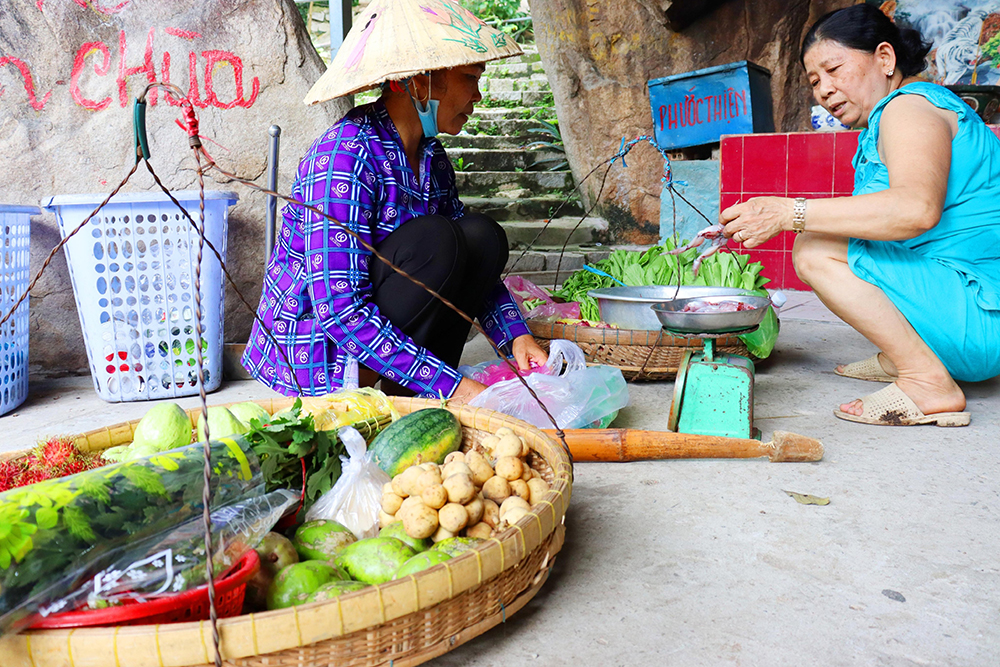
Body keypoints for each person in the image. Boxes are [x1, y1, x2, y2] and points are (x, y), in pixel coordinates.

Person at [242, 0, 547, 405]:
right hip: (316, 350)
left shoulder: (433, 158)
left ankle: (413, 385)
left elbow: (474, 264)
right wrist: (456, 387)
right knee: (437, 239)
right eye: (471, 77)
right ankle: (394, 384)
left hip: (386, 330)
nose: (477, 94)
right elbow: (339, 308)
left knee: (481, 237)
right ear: (417, 83)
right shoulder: (345, 155)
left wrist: (516, 337)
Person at [719, 4, 1000, 427]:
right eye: (815, 81)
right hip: (967, 307)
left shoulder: (909, 110)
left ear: (885, 59)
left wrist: (786, 211)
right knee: (835, 237)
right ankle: (904, 355)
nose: (824, 90)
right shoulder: (887, 120)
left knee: (815, 247)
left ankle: (927, 380)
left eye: (834, 70)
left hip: (981, 318)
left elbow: (915, 211)